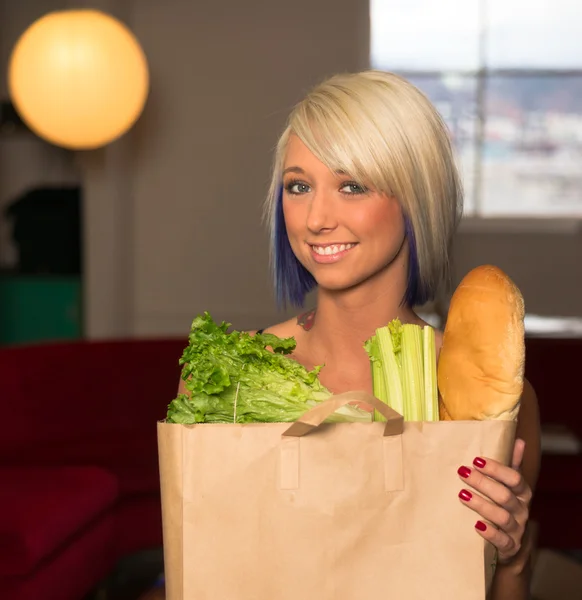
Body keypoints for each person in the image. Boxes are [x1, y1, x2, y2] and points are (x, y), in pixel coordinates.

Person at [180, 70, 541, 598]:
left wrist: (512, 556)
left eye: (352, 186)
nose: (315, 218)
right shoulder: (223, 381)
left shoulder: (489, 402)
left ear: (417, 199)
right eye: (298, 186)